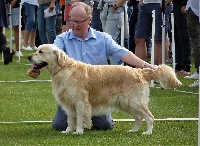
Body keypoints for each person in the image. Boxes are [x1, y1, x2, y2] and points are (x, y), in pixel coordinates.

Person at [28, 2, 157, 131]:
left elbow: (123, 53)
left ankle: (87, 120)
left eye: (79, 21)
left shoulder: (103, 38)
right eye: (72, 21)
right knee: (59, 125)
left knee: (104, 126)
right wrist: (38, 68)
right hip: (72, 93)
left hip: (100, 93)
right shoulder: (62, 39)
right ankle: (80, 122)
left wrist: (146, 65)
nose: (74, 25)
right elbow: (51, 57)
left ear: (89, 20)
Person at [171, 0, 192, 75]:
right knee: (177, 37)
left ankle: (185, 66)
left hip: (181, 5)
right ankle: (179, 65)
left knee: (184, 37)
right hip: (176, 5)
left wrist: (184, 4)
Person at [184, 0, 200, 87]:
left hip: (195, 9)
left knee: (197, 46)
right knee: (195, 42)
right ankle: (198, 71)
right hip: (192, 8)